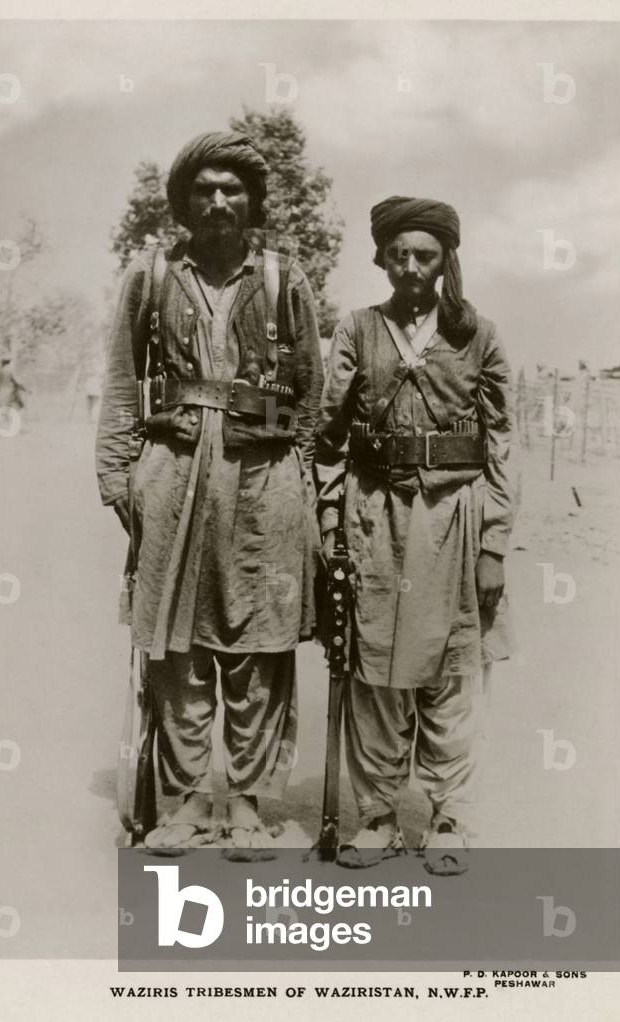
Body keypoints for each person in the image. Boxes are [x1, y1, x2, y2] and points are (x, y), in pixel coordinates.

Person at [96, 131, 323, 856]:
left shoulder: (287, 279)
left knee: (258, 645)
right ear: (185, 202)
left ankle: (251, 803)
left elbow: (313, 394)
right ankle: (188, 800)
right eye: (204, 190)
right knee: (177, 646)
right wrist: (117, 475)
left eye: (233, 190)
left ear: (253, 203)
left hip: (265, 479)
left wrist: (304, 486)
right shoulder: (152, 274)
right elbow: (124, 381)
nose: (219, 201)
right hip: (173, 470)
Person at [314, 196, 518, 873]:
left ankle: (449, 814)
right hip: (376, 518)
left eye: (424, 255)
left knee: (452, 673)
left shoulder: (478, 335)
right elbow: (329, 437)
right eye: (397, 254)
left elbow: (502, 444)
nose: (410, 268)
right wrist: (332, 520)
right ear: (381, 258)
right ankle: (375, 816)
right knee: (375, 672)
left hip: (455, 520)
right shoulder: (356, 330)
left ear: (445, 260)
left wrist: (492, 544)